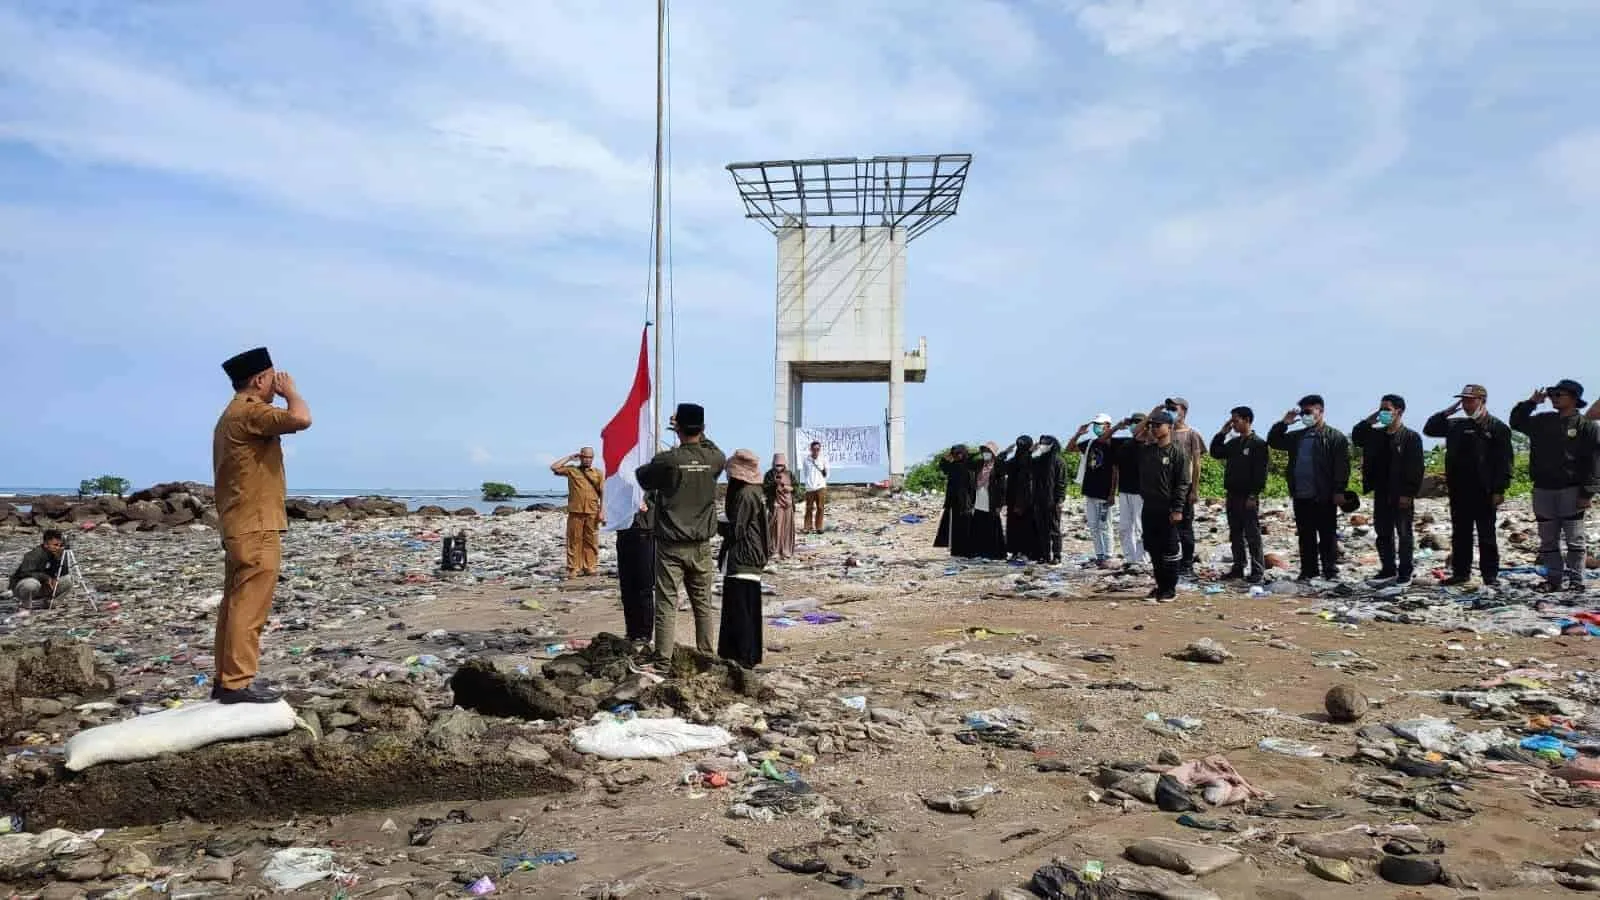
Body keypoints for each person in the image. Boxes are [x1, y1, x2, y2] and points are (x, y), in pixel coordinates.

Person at [213, 346, 312, 704]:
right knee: (250, 606)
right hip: (255, 525)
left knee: (236, 604)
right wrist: (292, 393)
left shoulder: (231, 414)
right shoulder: (251, 412)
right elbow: (301, 419)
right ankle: (237, 682)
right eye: (273, 377)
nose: (277, 382)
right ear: (259, 380)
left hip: (239, 522)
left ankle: (226, 680)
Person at [636, 403, 726, 660]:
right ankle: (707, 656)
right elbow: (714, 451)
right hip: (701, 545)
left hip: (671, 545)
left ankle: (663, 660)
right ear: (703, 428)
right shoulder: (713, 460)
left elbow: (643, 477)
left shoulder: (668, 460)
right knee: (702, 604)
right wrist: (698, 435)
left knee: (666, 603)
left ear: (677, 427)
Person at [1510, 379, 1600, 594]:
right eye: (1552, 395)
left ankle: (1576, 581)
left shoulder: (1586, 426)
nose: (1554, 398)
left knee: (1575, 540)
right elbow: (1517, 422)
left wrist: (1587, 492)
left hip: (1571, 489)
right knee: (1548, 539)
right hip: (1543, 488)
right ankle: (1553, 580)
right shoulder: (1543, 421)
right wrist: (1531, 403)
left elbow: (1594, 461)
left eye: (1559, 395)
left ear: (1574, 399)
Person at [1424, 385, 1514, 587]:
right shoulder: (1456, 424)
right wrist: (1447, 412)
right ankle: (1461, 573)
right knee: (1461, 534)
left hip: (1485, 490)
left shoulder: (1496, 427)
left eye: (1470, 400)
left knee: (1486, 535)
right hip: (1459, 489)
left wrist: (1500, 489)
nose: (1466, 404)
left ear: (1482, 401)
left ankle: (1490, 575)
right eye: (1463, 400)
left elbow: (1505, 461)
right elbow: (1429, 429)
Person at [1268, 394, 1351, 582]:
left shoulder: (1334, 437)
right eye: (1303, 412)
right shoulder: (1297, 436)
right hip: (1301, 494)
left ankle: (1330, 571)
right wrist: (1284, 422)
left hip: (1324, 495)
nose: (1305, 415)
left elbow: (1342, 466)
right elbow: (1274, 441)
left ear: (1320, 411)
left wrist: (1339, 490)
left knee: (1327, 535)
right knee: (1306, 536)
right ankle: (1309, 571)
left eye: (1309, 411)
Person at [1352, 395, 1425, 585]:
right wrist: (1374, 417)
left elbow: (1416, 468)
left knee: (1404, 533)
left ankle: (1405, 571)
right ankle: (1387, 568)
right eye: (1380, 409)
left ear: (1398, 411)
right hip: (1381, 490)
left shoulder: (1410, 437)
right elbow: (1358, 435)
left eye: (1386, 409)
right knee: (1383, 532)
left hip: (1401, 493)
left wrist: (1409, 493)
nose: (1382, 413)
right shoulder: (1377, 435)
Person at [719, 449, 770, 668]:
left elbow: (737, 530)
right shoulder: (752, 492)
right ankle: (745, 654)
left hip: (744, 556)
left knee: (740, 608)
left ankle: (742, 655)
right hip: (749, 555)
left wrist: (714, 525)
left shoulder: (745, 495)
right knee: (746, 608)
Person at [1210, 407, 1269, 583]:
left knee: (1252, 533)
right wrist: (1222, 433)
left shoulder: (1258, 444)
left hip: (1248, 495)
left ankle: (1257, 570)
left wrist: (1253, 495)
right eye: (1232, 421)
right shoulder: (1234, 444)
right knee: (1235, 533)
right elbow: (1216, 452)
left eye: (1236, 420)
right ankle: (1238, 567)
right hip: (1232, 493)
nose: (1233, 424)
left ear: (1247, 420)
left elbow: (1260, 473)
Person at [1138, 411, 1191, 601]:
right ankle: (1160, 585)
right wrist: (1149, 417)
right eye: (1152, 425)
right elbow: (1137, 434)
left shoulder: (1178, 452)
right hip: (1149, 506)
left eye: (1158, 425)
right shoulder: (1148, 450)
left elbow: (1183, 483)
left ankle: (1170, 588)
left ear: (1169, 427)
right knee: (1153, 547)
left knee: (1169, 548)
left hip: (1168, 507)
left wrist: (1177, 509)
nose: (1153, 428)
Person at [1069, 416, 1119, 568]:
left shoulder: (1113, 444)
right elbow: (1070, 449)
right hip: (1090, 490)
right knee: (1093, 525)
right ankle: (1100, 555)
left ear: (1108, 425)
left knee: (1105, 524)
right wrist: (1078, 433)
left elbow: (1116, 470)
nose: (1097, 427)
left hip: (1104, 492)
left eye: (1100, 424)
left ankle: (1109, 555)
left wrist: (1112, 493)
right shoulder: (1090, 443)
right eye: (1095, 425)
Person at [1167, 398, 1207, 578]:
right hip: (1167, 486)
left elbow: (1197, 464)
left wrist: (1194, 490)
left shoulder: (1192, 434)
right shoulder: (1164, 432)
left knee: (1185, 526)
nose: (1170, 411)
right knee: (1168, 526)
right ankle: (1172, 561)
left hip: (1185, 485)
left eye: (1173, 408)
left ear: (1184, 411)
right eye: (1168, 408)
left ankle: (1188, 564)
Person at [550, 448, 605, 578]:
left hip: (592, 510)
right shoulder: (572, 470)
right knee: (574, 540)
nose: (587, 459)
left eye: (590, 457)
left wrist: (602, 511)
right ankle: (573, 568)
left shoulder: (598, 473)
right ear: (580, 457)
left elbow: (603, 493)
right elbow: (554, 467)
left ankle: (590, 567)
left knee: (591, 541)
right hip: (575, 510)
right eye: (585, 457)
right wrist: (570, 457)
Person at [1107, 413, 1148, 567]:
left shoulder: (1151, 444)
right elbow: (1115, 469)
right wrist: (1117, 426)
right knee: (1124, 528)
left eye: (1137, 423)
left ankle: (1142, 560)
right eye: (1132, 423)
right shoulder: (1124, 444)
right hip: (1124, 491)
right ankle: (1130, 559)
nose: (1134, 426)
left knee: (1140, 528)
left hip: (1141, 493)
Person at [615, 498, 655, 643]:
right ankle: (631, 630)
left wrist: (646, 503)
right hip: (624, 530)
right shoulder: (620, 476)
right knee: (626, 585)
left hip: (645, 530)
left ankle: (644, 632)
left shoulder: (650, 477)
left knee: (643, 585)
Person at [934, 444, 981, 557]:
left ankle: (968, 551)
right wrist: (950, 455)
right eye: (955, 454)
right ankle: (957, 551)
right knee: (955, 527)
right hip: (954, 501)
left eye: (959, 454)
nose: (956, 456)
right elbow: (942, 463)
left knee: (967, 526)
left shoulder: (970, 465)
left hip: (967, 500)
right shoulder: (952, 466)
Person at [8, 529, 71, 609]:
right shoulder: (34, 555)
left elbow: (63, 572)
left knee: (68, 579)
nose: (58, 547)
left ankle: (48, 603)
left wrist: (59, 559)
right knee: (31, 584)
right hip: (23, 587)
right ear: (45, 544)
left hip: (44, 587)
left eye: (60, 545)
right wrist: (45, 577)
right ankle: (26, 605)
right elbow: (24, 573)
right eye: (55, 545)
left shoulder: (56, 554)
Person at [1000, 436, 1039, 561]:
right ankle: (1025, 552)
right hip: (1026, 500)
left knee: (1015, 526)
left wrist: (1005, 453)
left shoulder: (1014, 461)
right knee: (1025, 527)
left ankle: (1017, 552)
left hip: (1017, 500)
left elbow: (999, 466)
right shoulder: (1032, 461)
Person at [1032, 435, 1069, 564]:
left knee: (1054, 529)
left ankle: (1057, 555)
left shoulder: (1059, 461)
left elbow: (1062, 483)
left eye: (1045, 443)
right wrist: (1032, 449)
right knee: (1041, 529)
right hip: (1038, 500)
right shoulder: (1038, 460)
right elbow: (1025, 462)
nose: (1042, 445)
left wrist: (1059, 500)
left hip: (1052, 501)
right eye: (1041, 443)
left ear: (1052, 444)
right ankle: (1045, 555)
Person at [970, 442, 1007, 560]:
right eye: (984, 451)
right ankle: (979, 551)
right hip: (979, 497)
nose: (985, 453)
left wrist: (1000, 505)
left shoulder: (997, 467)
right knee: (979, 524)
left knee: (992, 526)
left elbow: (1002, 487)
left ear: (993, 453)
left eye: (988, 451)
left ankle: (994, 553)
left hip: (992, 499)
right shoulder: (979, 465)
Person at [762, 454, 797, 560]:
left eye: (781, 465)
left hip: (788, 505)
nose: (779, 468)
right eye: (777, 465)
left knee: (787, 527)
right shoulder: (769, 474)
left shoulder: (790, 474)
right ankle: (775, 550)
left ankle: (786, 550)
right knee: (775, 528)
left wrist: (788, 488)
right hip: (776, 504)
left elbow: (797, 488)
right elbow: (765, 488)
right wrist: (775, 485)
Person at [801, 441, 829, 533]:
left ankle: (819, 527)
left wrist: (822, 482)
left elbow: (827, 473)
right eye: (814, 449)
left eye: (818, 449)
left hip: (820, 487)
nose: (816, 451)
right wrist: (808, 484)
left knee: (820, 507)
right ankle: (807, 527)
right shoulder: (806, 460)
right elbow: (805, 473)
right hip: (810, 487)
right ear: (811, 449)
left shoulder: (823, 459)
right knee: (809, 508)